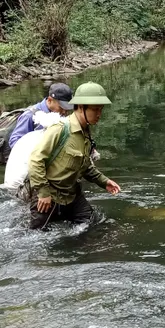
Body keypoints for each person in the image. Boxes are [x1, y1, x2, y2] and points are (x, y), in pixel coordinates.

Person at [26, 82, 122, 229]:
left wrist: (104, 182)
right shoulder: (59, 129)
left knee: (92, 226)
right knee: (36, 236)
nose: (99, 114)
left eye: (101, 109)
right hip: (49, 196)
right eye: (95, 109)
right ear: (81, 107)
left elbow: (85, 166)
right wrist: (43, 193)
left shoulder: (86, 132)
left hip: (72, 196)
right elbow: (35, 160)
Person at [8, 83, 74, 148]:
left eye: (67, 108)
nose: (65, 112)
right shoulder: (29, 116)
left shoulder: (61, 114)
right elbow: (14, 142)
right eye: (61, 107)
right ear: (49, 100)